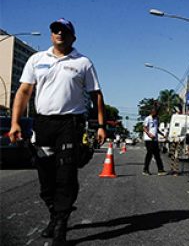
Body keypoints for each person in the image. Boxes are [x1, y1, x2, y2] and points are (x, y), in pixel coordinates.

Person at [9, 18, 106, 245]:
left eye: (64, 30)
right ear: (51, 34)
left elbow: (96, 95)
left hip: (70, 125)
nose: (59, 33)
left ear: (73, 36)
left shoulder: (83, 63)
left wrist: (101, 125)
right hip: (43, 124)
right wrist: (15, 123)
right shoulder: (36, 59)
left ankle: (61, 224)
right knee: (46, 177)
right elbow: (24, 92)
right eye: (55, 30)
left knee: (66, 174)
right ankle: (55, 214)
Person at [142, 108, 167, 176]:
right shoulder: (148, 118)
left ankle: (160, 170)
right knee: (149, 155)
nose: (156, 115)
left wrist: (162, 134)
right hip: (149, 140)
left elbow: (156, 129)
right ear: (152, 112)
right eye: (155, 113)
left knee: (157, 155)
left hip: (155, 140)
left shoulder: (156, 119)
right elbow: (144, 127)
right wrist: (149, 134)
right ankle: (145, 170)